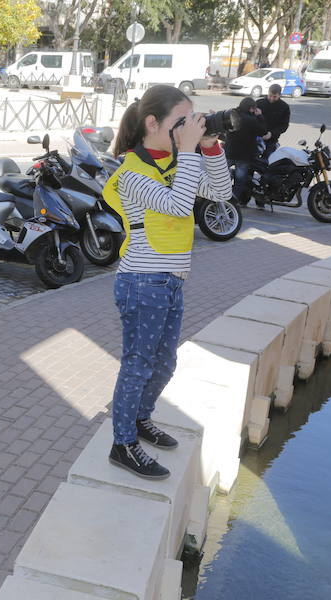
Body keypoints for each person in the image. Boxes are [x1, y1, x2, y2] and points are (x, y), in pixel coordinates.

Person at [104, 85, 232, 479]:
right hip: (143, 281)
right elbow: (178, 205)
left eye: (190, 122)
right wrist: (191, 151)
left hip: (170, 281)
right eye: (181, 123)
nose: (186, 130)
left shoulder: (177, 160)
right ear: (152, 123)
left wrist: (208, 145)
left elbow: (221, 192)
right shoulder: (132, 174)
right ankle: (122, 443)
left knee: (165, 364)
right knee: (139, 365)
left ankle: (141, 419)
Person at [224, 96, 268, 207]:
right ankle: (232, 202)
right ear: (251, 108)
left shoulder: (232, 115)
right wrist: (260, 116)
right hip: (244, 155)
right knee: (240, 180)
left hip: (229, 151)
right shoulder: (252, 120)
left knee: (221, 174)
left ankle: (219, 196)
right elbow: (263, 131)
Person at [255, 83, 290, 158]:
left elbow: (284, 125)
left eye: (275, 97)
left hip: (272, 140)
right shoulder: (259, 103)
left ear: (279, 95)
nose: (271, 98)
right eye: (270, 96)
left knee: (267, 162)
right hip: (256, 137)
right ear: (268, 93)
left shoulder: (284, 107)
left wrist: (271, 134)